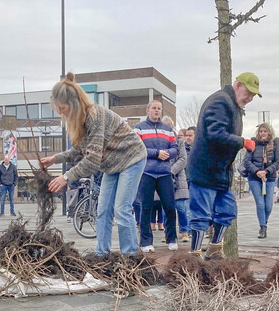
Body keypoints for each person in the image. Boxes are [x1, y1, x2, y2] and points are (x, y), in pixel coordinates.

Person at [38, 73, 147, 255]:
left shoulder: (94, 116)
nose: (60, 112)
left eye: (62, 108)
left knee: (121, 209)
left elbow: (92, 161)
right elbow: (80, 151)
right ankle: (101, 254)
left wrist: (66, 177)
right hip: (112, 165)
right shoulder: (79, 121)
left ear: (72, 104)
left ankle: (131, 256)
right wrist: (55, 159)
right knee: (103, 210)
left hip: (131, 158)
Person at [187, 72, 259, 259]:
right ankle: (194, 254)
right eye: (248, 92)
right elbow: (214, 133)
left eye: (253, 95)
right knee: (201, 214)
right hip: (205, 170)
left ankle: (215, 248)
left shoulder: (234, 106)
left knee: (227, 210)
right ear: (237, 85)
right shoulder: (220, 101)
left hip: (221, 171)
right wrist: (242, 142)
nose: (250, 98)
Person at [134, 101, 179, 253]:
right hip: (146, 172)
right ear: (148, 110)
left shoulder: (168, 129)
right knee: (145, 207)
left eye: (159, 108)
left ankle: (171, 239)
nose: (157, 111)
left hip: (165, 172)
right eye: (154, 108)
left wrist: (167, 154)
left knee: (170, 207)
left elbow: (175, 148)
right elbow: (137, 148)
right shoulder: (139, 128)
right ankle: (146, 242)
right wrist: (157, 153)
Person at [242, 122, 279, 239]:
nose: (262, 133)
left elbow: (278, 162)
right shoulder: (253, 144)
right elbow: (247, 161)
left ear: (269, 132)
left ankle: (264, 221)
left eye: (265, 131)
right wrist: (257, 171)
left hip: (269, 178)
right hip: (254, 177)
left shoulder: (274, 145)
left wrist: (266, 171)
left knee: (268, 205)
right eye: (261, 131)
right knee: (260, 203)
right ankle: (262, 227)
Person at [164, 117, 190, 242]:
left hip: (178, 179)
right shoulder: (158, 141)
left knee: (181, 208)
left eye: (169, 125)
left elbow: (183, 159)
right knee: (166, 209)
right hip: (163, 178)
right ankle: (168, 233)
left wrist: (171, 170)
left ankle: (184, 231)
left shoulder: (179, 142)